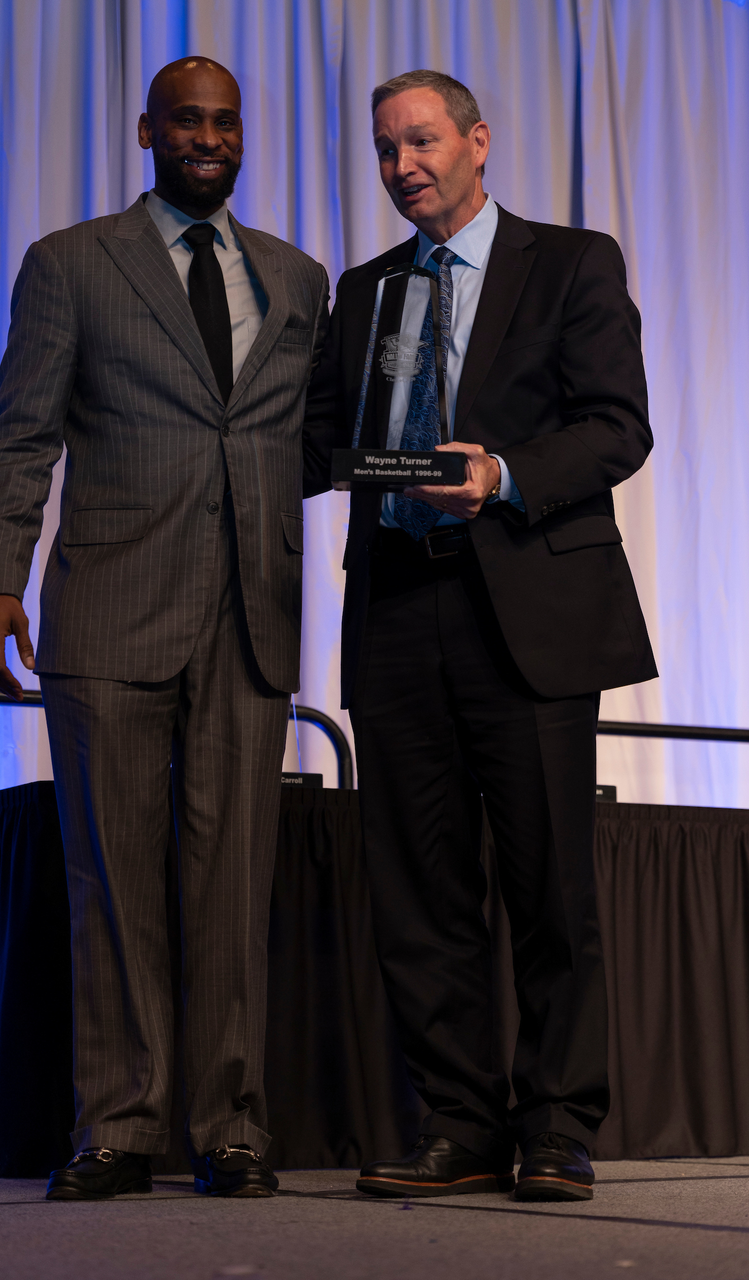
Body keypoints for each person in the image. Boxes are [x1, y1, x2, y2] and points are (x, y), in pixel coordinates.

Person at [0, 57, 328, 1201]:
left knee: (234, 885)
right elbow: (23, 435)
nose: (207, 138)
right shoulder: (71, 263)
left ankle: (230, 1127)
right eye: (187, 120)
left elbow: (316, 441)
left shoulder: (298, 278)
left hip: (250, 615)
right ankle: (117, 1125)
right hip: (111, 606)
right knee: (111, 876)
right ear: (145, 132)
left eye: (224, 122)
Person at [303, 69, 656, 1202]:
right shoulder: (361, 291)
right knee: (419, 885)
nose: (402, 166)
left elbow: (617, 425)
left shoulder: (572, 260)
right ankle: (456, 1123)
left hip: (529, 609)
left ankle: (555, 1123)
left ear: (477, 141)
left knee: (550, 880)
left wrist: (504, 473)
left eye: (420, 142)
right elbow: (317, 440)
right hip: (399, 607)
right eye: (384, 150)